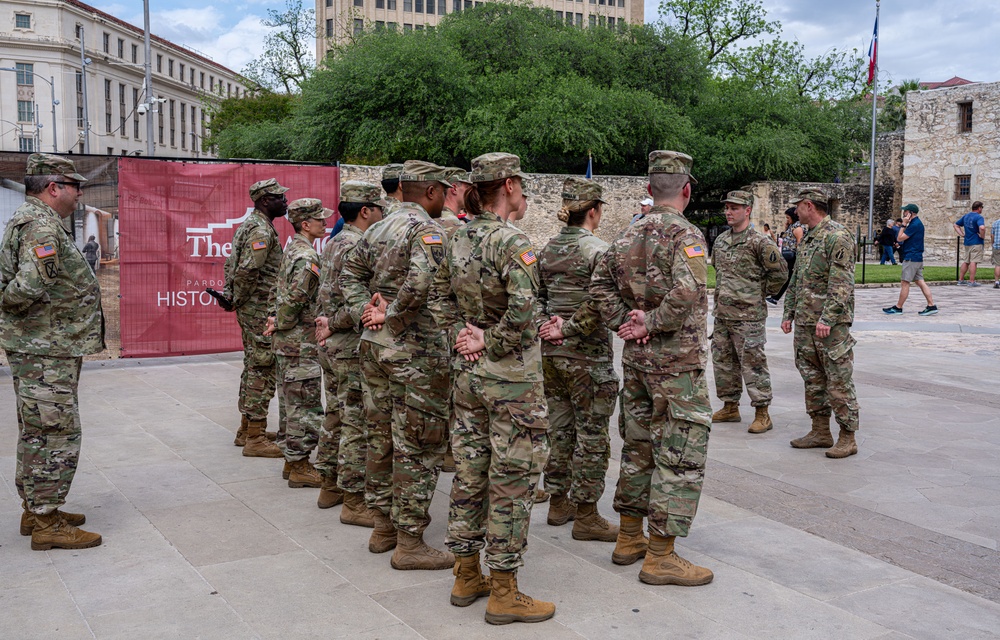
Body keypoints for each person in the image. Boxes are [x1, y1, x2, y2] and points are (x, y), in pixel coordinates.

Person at [428, 152, 555, 624]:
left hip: (470, 375)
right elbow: (524, 311)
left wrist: (463, 337)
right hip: (512, 381)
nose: (522, 192)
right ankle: (503, 589)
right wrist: (490, 339)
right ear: (508, 184)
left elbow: (438, 297)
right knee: (513, 481)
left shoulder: (457, 237)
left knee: (469, 470)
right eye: (520, 183)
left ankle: (466, 573)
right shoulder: (512, 241)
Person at [591, 150, 714, 587]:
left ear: (648, 190)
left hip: (638, 362)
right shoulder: (687, 235)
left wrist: (625, 323)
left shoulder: (626, 237)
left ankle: (628, 538)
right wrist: (653, 322)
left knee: (638, 446)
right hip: (676, 364)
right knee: (679, 453)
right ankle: (661, 555)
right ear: (686, 189)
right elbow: (690, 286)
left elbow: (598, 285)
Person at [341, 160, 455, 571]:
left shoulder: (377, 228)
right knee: (418, 444)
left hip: (374, 349)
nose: (446, 196)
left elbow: (348, 276)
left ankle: (383, 527)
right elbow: (422, 281)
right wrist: (391, 317)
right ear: (429, 191)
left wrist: (365, 313)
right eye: (443, 189)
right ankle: (410, 543)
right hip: (415, 352)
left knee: (381, 436)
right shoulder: (427, 229)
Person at [1, 153, 104, 550]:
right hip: (45, 348)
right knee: (55, 433)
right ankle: (47, 524)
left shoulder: (33, 221)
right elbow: (26, 287)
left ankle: (37, 509)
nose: (79, 193)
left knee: (37, 431)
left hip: (43, 345)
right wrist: (15, 313)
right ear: (53, 187)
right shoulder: (41, 227)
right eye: (74, 186)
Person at [536, 177, 619, 542]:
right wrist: (568, 328)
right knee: (592, 435)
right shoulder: (599, 250)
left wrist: (547, 326)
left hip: (552, 354)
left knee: (559, 428)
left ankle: (558, 502)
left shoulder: (548, 248)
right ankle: (586, 514)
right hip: (587, 358)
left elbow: (535, 297)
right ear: (595, 211)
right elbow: (601, 303)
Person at [315, 182, 386, 522]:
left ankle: (329, 484)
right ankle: (354, 501)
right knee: (356, 422)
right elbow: (357, 304)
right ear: (365, 211)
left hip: (332, 344)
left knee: (336, 414)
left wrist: (327, 324)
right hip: (347, 343)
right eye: (378, 208)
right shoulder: (358, 245)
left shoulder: (334, 242)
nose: (382, 214)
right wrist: (334, 323)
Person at [781, 188, 859, 459]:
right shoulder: (809, 237)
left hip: (829, 325)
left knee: (838, 380)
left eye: (797, 207)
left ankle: (847, 437)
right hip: (805, 322)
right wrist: (788, 312)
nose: (794, 212)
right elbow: (797, 279)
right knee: (812, 379)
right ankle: (820, 431)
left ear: (808, 205)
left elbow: (842, 283)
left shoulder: (837, 236)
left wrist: (828, 317)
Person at [266, 198, 334, 490]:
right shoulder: (307, 256)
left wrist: (274, 320)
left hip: (288, 341)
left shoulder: (292, 249)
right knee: (304, 406)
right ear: (306, 224)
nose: (325, 223)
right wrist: (280, 320)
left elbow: (278, 291)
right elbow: (294, 299)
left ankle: (291, 460)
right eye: (319, 219)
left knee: (290, 403)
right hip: (300, 342)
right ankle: (300, 466)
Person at [710, 190, 787, 434]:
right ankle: (730, 405)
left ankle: (762, 412)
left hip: (748, 316)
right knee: (723, 362)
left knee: (753, 364)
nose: (729, 212)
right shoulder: (721, 240)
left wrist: (757, 293)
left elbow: (780, 274)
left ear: (747, 210)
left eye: (734, 208)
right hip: (723, 313)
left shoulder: (760, 242)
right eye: (727, 207)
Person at [222, 178, 286, 458]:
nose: (284, 201)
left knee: (253, 365)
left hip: (253, 307)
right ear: (263, 201)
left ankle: (247, 428)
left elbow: (230, 264)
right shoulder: (260, 229)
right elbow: (247, 270)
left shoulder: (251, 226)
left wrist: (233, 297)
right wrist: (238, 298)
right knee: (262, 367)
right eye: (278, 197)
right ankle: (256, 438)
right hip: (259, 309)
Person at [883, 204, 937, 316]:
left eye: (905, 212)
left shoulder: (914, 224)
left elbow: (899, 238)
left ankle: (898, 307)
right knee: (920, 281)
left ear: (910, 213)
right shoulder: (915, 223)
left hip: (911, 257)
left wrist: (903, 224)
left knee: (905, 282)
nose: (903, 214)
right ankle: (931, 305)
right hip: (916, 257)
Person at [766, 207, 804, 304]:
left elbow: (800, 244)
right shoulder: (792, 227)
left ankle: (776, 297)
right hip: (787, 256)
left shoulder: (798, 228)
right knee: (785, 277)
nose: (787, 220)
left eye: (788, 217)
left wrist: (799, 259)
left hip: (792, 257)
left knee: (786, 277)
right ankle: (775, 297)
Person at [955, 202, 986, 286]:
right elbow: (982, 227)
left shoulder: (966, 216)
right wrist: (982, 236)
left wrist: (962, 234)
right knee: (974, 261)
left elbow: (956, 225)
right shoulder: (979, 217)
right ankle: (971, 281)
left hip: (967, 242)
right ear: (979, 208)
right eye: (981, 208)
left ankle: (961, 280)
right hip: (976, 242)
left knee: (966, 261)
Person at [439, 168, 472, 240]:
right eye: (468, 187)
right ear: (454, 188)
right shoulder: (454, 226)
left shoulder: (435, 216)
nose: (471, 192)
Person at [991, 213, 1000, 288]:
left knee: (998, 264)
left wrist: (992, 244)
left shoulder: (995, 223)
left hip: (997, 246)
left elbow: (992, 235)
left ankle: (997, 281)